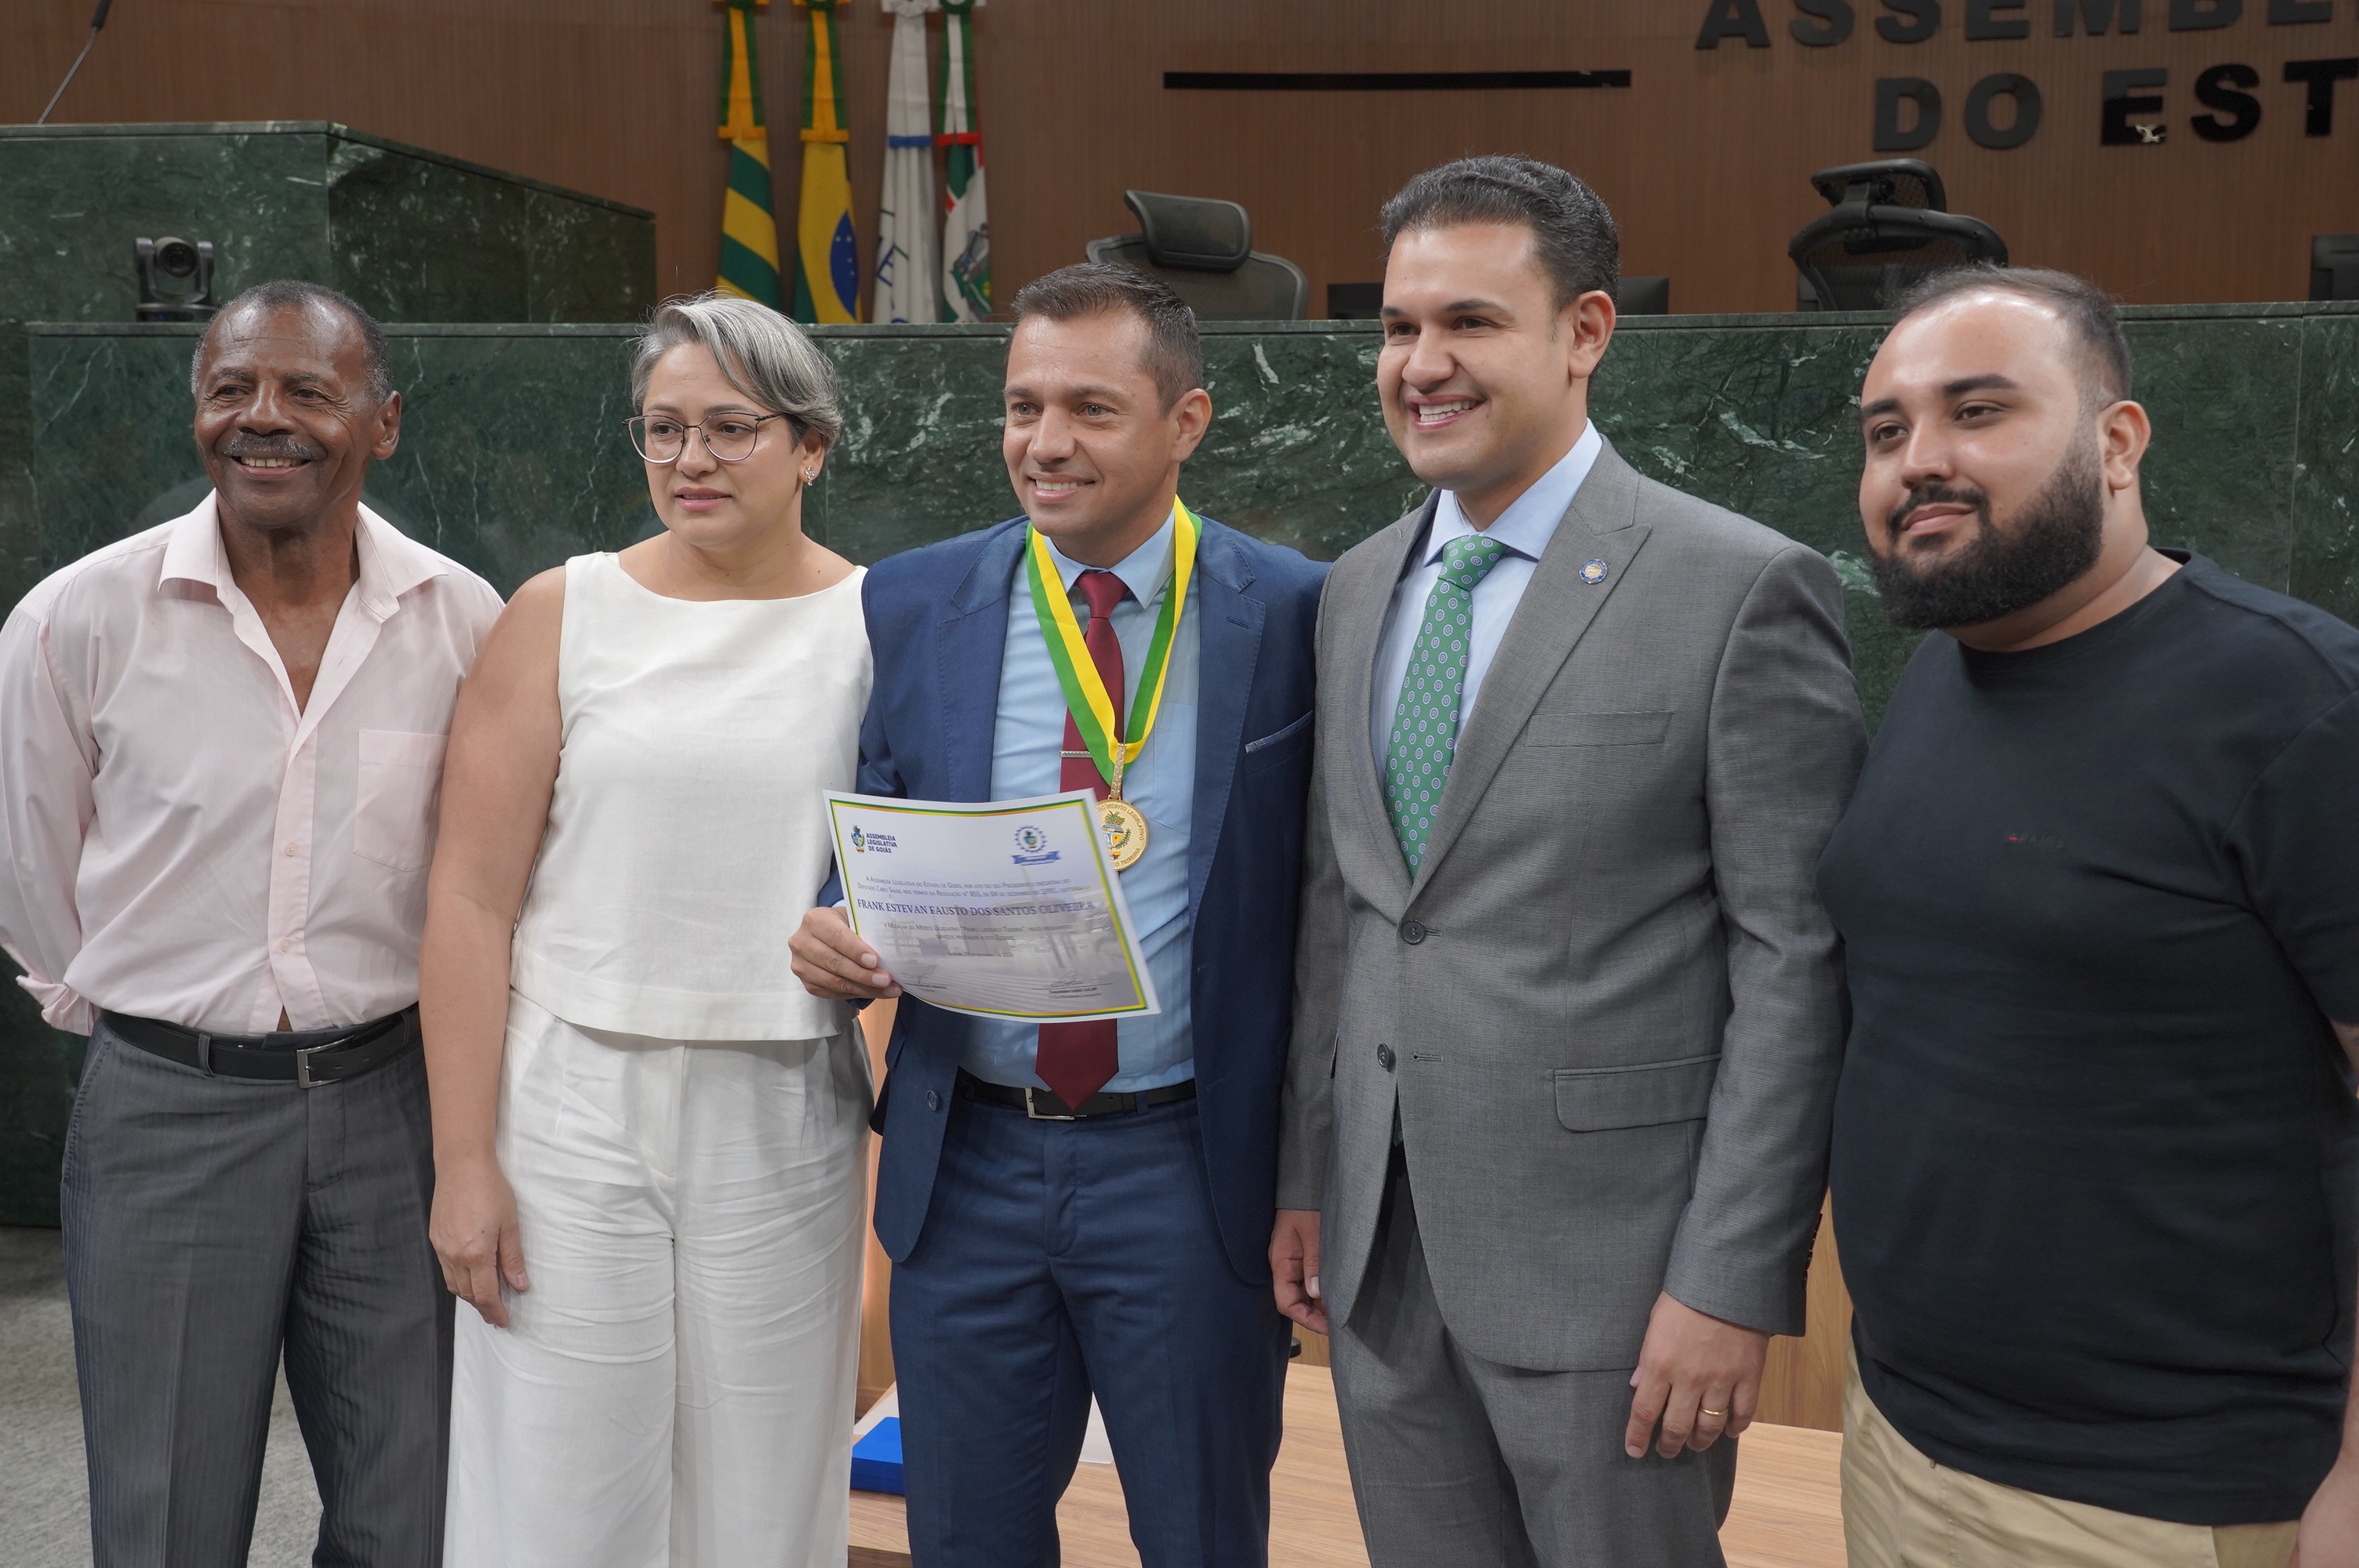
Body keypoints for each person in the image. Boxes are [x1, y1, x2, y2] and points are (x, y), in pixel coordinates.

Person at [1271, 155, 1866, 1568]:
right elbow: (1346, 914)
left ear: (1586, 331)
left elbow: (1796, 963)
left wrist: (1729, 1281)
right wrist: (1308, 1174)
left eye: (1470, 322)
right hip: (1378, 1263)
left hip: (1621, 1287)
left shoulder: (1740, 587)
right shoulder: (1354, 587)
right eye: (1399, 327)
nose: (1422, 364)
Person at [1820, 265, 2359, 1568]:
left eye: (1978, 411)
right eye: (1887, 430)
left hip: (2160, 1501)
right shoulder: (1943, 672)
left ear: (2118, 443)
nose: (1918, 460)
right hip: (1897, 1437)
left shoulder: (2299, 705)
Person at [790, 262, 1325, 1568]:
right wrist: (835, 921)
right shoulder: (914, 600)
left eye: (1091, 408)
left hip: (1188, 1169)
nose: (1044, 441)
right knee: (967, 1540)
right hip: (968, 1162)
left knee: (1201, 1540)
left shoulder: (1295, 611)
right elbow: (880, 817)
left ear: (1186, 423)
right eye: (1023, 405)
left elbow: (1332, 908)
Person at [0, 280, 500, 1567]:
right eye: (231, 389)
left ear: (383, 422)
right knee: (166, 1516)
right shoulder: (76, 618)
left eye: (306, 392)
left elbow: (486, 879)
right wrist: (145, 1026)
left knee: (414, 1507)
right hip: (167, 1114)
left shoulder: (463, 620)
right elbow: (30, 869)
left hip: (396, 1112)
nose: (261, 418)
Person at [421, 293, 873, 1568]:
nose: (691, 459)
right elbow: (468, 899)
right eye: (664, 429)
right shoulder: (562, 611)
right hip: (568, 1101)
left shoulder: (877, 624)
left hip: (787, 1099)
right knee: (556, 1490)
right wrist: (463, 1163)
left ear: (811, 446)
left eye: (731, 428)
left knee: (765, 1493)